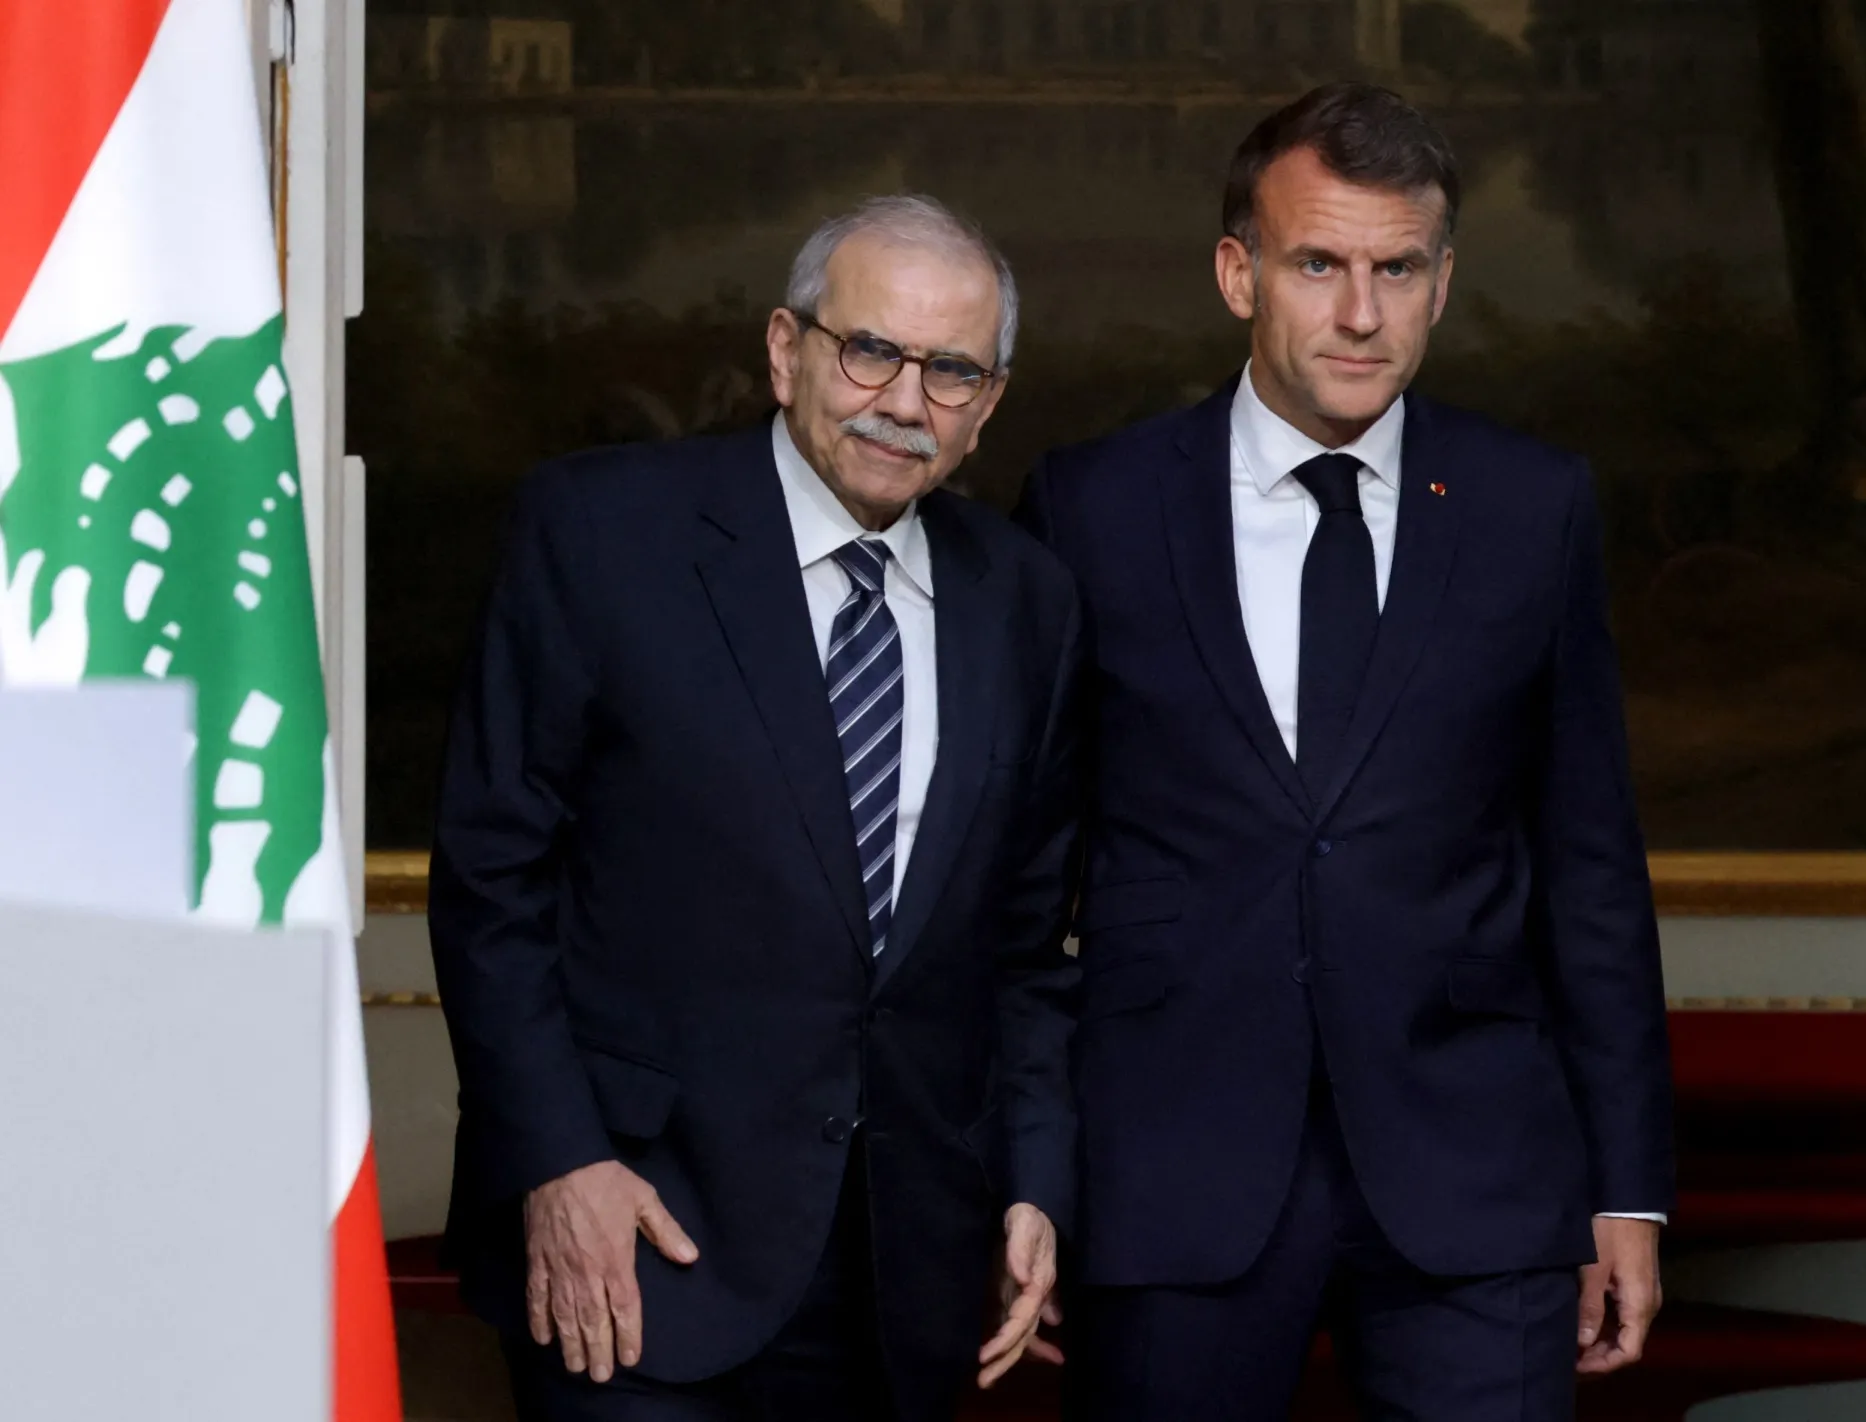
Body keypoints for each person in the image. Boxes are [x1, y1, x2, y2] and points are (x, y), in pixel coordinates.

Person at [1017, 83, 1676, 1421]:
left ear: (1442, 284)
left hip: (1474, 1169)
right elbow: (1022, 883)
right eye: (1318, 264)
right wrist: (1027, 1171)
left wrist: (1626, 1183)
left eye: (1398, 269)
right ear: (1238, 273)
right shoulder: (1092, 506)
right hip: (1172, 1166)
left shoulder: (1530, 506)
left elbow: (1589, 864)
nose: (1361, 313)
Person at [429, 194, 1083, 1422]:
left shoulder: (1027, 605)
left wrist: (1031, 1182)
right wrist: (560, 1163)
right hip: (636, 1241)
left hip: (905, 1276)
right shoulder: (601, 533)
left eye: (950, 371)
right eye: (869, 350)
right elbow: (491, 882)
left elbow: (1023, 951)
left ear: (988, 405)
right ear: (787, 351)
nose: (904, 400)